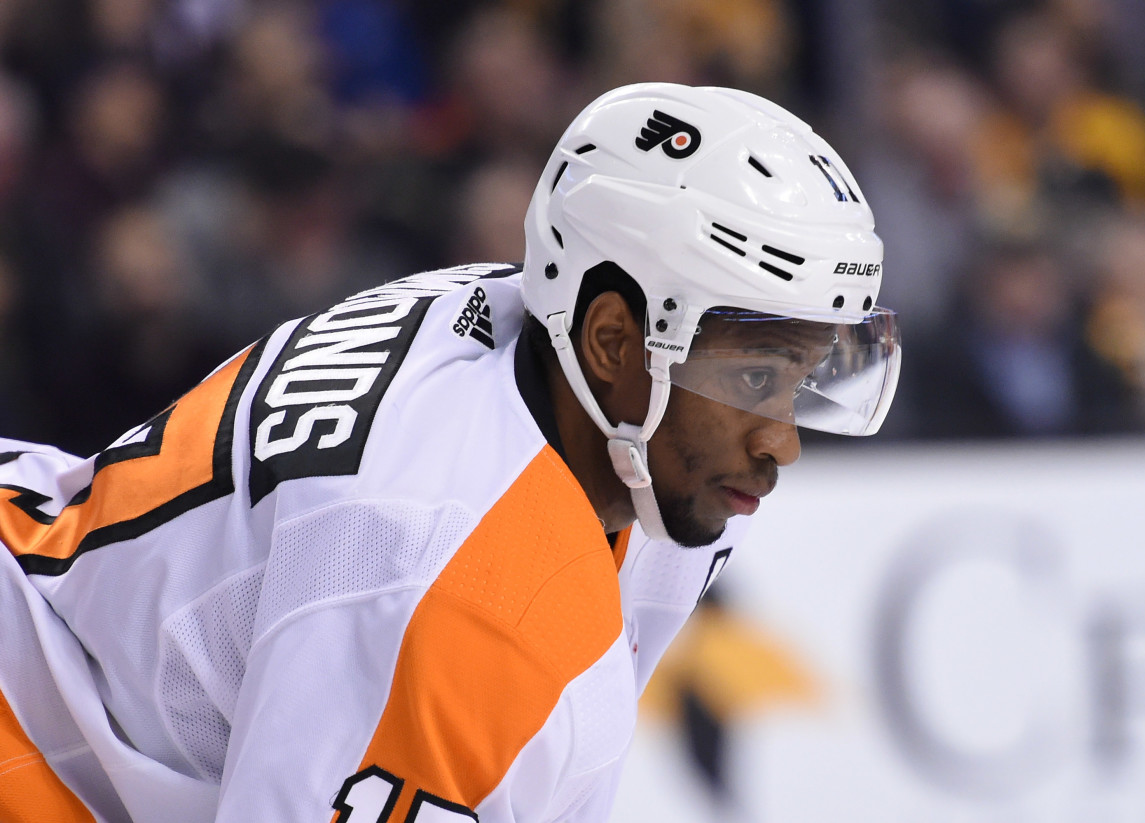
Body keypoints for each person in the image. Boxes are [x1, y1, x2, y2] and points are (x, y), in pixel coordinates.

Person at [0, 82, 899, 822]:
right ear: (614, 340)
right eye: (753, 378)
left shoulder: (558, 364)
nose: (782, 439)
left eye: (802, 376)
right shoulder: (458, 591)